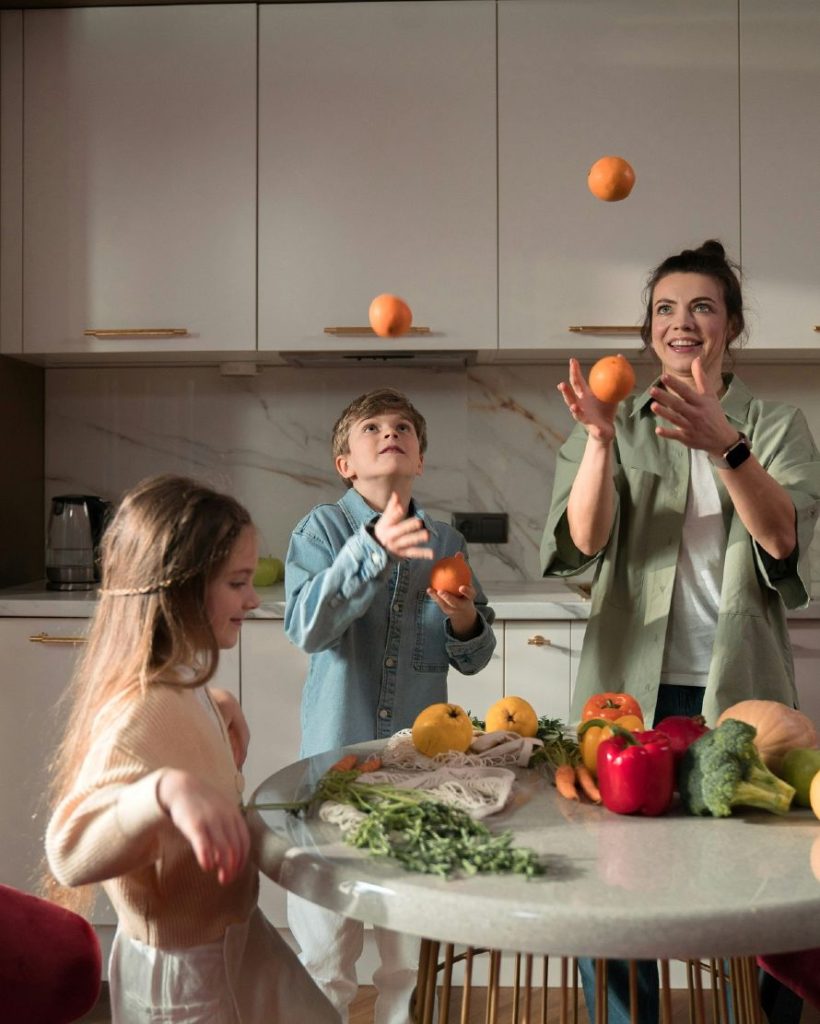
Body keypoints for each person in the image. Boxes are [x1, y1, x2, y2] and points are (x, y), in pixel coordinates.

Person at [541, 240, 820, 1024]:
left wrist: (724, 446)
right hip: (630, 693)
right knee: (621, 888)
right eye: (666, 308)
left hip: (743, 689)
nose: (682, 321)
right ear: (648, 329)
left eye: (701, 306)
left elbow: (782, 540)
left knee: (766, 881)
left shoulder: (774, 423)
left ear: (731, 324)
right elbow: (584, 543)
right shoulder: (615, 422)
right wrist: (597, 443)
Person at [44, 474, 340, 1024]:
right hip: (183, 975)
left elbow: (172, 725)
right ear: (179, 590)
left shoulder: (182, 683)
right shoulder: (140, 709)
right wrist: (161, 791)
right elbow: (69, 851)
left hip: (232, 932)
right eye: (237, 583)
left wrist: (213, 703)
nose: (253, 599)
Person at [284, 386, 497, 1024]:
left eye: (403, 426)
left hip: (420, 776)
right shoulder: (320, 530)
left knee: (409, 956)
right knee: (325, 951)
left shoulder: (447, 539)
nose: (390, 433)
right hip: (335, 771)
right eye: (371, 427)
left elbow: (474, 654)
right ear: (345, 462)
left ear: (420, 459)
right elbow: (307, 628)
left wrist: (463, 621)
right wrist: (372, 547)